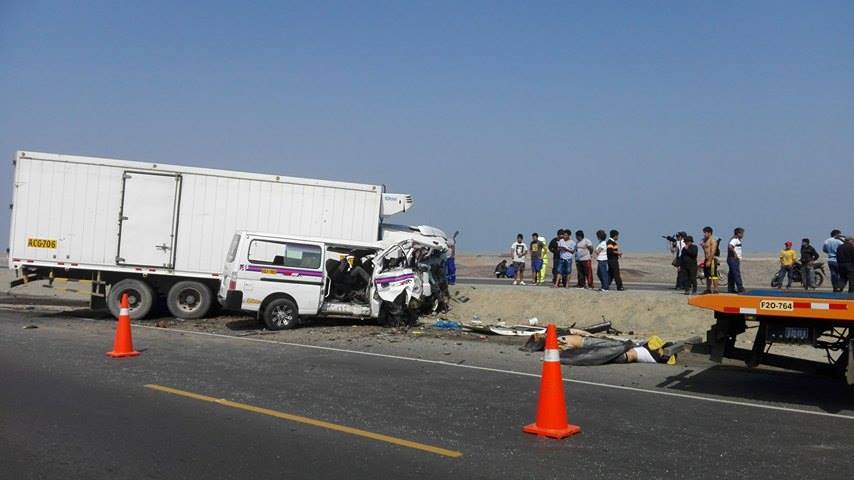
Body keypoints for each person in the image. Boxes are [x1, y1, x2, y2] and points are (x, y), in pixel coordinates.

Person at [702, 226, 719, 294]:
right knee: (707, 275)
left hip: (711, 260)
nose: (704, 234)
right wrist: (703, 246)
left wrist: (709, 260)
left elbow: (713, 251)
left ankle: (715, 289)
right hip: (706, 259)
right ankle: (708, 289)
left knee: (713, 275)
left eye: (705, 233)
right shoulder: (705, 240)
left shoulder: (712, 240)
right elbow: (706, 250)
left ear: (709, 233)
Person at [727, 227, 745, 293]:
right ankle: (740, 288)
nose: (743, 235)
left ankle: (731, 288)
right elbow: (730, 246)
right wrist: (735, 253)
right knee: (736, 273)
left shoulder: (737, 240)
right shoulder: (735, 239)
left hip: (733, 259)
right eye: (742, 233)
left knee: (731, 274)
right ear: (738, 233)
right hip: (733, 259)